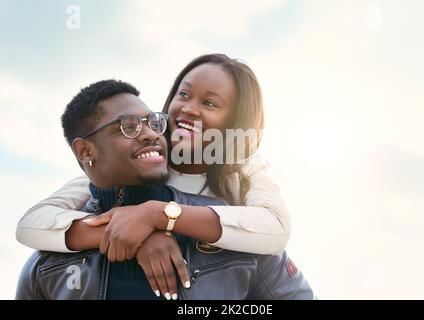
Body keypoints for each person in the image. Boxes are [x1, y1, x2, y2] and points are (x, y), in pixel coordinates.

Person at [16, 54, 291, 298]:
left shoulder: (244, 175)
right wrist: (134, 235)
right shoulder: (147, 159)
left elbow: (275, 229)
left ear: (235, 123)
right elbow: (33, 222)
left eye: (209, 103)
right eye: (183, 95)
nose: (189, 108)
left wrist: (159, 215)